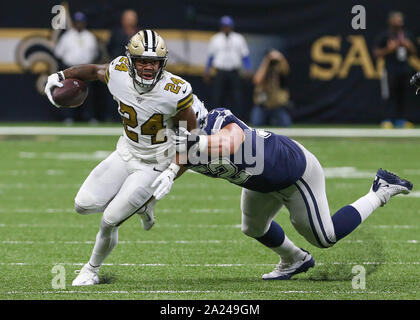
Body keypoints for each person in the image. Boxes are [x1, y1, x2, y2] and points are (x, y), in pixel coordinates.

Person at [152, 107, 413, 280]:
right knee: (253, 227)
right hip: (261, 182)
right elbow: (179, 161)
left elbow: (230, 140)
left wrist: (200, 141)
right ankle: (295, 259)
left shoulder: (216, 120)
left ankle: (380, 190)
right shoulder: (179, 144)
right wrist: (157, 190)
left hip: (294, 172)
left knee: (325, 237)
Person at [44, 30, 198, 286]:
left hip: (154, 164)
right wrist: (60, 76)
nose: (149, 67)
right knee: (82, 205)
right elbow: (93, 71)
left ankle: (91, 269)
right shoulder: (118, 70)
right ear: (130, 59)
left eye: (154, 62)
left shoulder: (175, 91)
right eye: (142, 61)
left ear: (163, 63)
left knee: (109, 220)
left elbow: (190, 138)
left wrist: (172, 171)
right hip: (125, 152)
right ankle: (141, 203)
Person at [373, 11, 417, 129]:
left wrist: (409, 46)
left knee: (404, 95)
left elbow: (416, 53)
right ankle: (387, 119)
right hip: (390, 70)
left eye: (401, 19)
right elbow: (376, 53)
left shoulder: (407, 35)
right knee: (389, 95)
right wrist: (389, 49)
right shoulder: (385, 36)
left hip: (405, 69)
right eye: (397, 19)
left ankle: (401, 120)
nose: (400, 22)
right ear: (391, 21)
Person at [54, 11, 99, 124]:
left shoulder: (90, 36)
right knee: (67, 93)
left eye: (81, 22)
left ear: (84, 23)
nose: (79, 24)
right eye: (77, 22)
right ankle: (68, 117)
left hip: (86, 70)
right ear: (73, 23)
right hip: (70, 69)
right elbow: (58, 53)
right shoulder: (67, 36)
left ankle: (89, 117)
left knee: (88, 94)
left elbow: (95, 53)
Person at [204, 16, 251, 119]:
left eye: (228, 26)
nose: (226, 28)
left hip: (234, 71)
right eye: (224, 26)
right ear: (221, 27)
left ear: (231, 27)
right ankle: (215, 119)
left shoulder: (238, 38)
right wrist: (207, 70)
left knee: (236, 97)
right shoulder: (215, 39)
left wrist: (248, 68)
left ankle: (238, 119)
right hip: (220, 71)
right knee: (218, 96)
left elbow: (245, 56)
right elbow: (211, 57)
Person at [250, 49, 293, 127]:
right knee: (256, 125)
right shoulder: (262, 67)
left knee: (285, 125)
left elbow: (286, 71)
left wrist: (280, 58)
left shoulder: (279, 69)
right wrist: (267, 60)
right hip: (263, 106)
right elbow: (257, 80)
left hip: (277, 105)